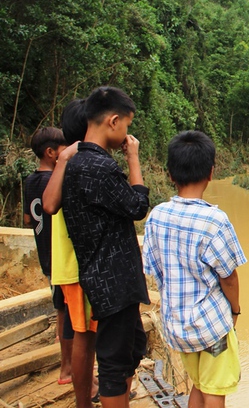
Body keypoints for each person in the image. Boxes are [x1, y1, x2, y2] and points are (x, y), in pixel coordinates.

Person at [143, 131, 246, 408]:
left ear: (170, 174)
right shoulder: (215, 220)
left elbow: (154, 270)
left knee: (199, 386)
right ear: (211, 172)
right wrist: (235, 311)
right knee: (214, 391)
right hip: (211, 326)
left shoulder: (157, 217)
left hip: (177, 326)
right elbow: (229, 277)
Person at [61, 87, 150, 408]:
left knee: (134, 346)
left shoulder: (77, 163)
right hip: (113, 282)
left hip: (105, 278)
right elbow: (138, 205)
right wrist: (133, 159)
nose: (127, 133)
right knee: (114, 362)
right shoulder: (98, 168)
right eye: (126, 125)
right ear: (113, 121)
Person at [42, 99, 99, 408]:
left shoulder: (71, 159)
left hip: (71, 265)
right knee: (84, 337)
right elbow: (50, 205)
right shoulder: (76, 159)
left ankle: (87, 392)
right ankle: (84, 400)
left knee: (83, 334)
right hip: (78, 266)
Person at [22, 127, 73, 387]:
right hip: (60, 257)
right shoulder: (56, 183)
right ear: (52, 153)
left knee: (59, 301)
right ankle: (67, 368)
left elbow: (28, 219)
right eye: (64, 148)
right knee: (66, 308)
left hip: (45, 255)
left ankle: (58, 337)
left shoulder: (30, 181)